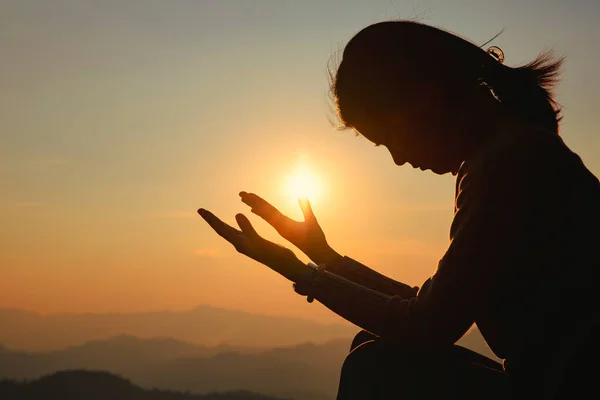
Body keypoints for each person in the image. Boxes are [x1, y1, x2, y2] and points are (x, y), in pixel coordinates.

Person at [198, 20, 600, 399]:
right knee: (373, 348)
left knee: (374, 366)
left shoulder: (508, 163)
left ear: (424, 100)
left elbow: (427, 326)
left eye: (389, 137)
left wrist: (300, 272)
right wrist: (323, 257)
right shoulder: (509, 151)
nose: (397, 159)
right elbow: (436, 307)